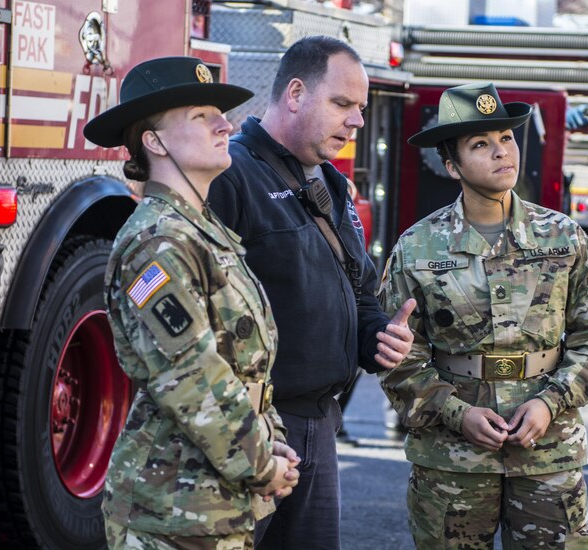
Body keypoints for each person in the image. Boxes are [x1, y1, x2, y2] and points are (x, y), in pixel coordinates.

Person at [378, 82, 588, 549]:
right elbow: (399, 355)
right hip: (452, 458)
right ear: (451, 165)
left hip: (547, 450)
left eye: (505, 138)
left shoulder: (563, 237)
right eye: (480, 144)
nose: (500, 152)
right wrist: (455, 412)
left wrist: (551, 401)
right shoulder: (417, 247)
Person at [82, 56, 301, 548]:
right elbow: (193, 376)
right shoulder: (156, 244)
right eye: (202, 116)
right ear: (154, 142)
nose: (226, 123)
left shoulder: (205, 234)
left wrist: (274, 443)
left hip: (217, 498)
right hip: (171, 510)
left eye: (219, 113)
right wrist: (263, 463)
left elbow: (248, 365)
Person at [208, 36, 415, 549]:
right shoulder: (229, 178)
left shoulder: (331, 183)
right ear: (295, 93)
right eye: (342, 104)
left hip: (320, 425)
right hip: (254, 427)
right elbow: (202, 323)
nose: (357, 122)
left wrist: (377, 335)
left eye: (361, 109)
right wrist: (247, 436)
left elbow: (358, 286)